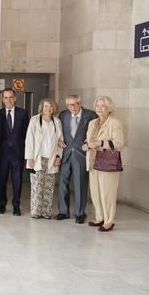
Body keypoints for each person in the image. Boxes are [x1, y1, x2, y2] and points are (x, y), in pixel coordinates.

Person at [83, 96, 124, 232]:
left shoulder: (115, 123)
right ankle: (99, 217)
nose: (99, 108)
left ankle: (109, 221)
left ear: (109, 108)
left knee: (108, 194)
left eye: (102, 106)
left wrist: (100, 143)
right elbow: (88, 138)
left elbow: (119, 143)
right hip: (93, 160)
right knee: (95, 192)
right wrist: (86, 144)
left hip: (108, 163)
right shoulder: (92, 122)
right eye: (97, 106)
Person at [56, 94, 97, 223]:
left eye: (74, 104)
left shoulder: (91, 115)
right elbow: (57, 132)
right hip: (66, 153)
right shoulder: (63, 115)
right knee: (62, 184)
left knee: (80, 184)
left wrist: (89, 142)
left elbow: (96, 131)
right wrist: (58, 141)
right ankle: (63, 212)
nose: (72, 107)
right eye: (69, 105)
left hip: (81, 155)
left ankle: (80, 213)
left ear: (80, 103)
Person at [25, 98, 64, 219]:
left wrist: (59, 156)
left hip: (51, 158)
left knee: (49, 186)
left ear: (54, 108)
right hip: (38, 158)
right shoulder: (35, 120)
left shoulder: (56, 122)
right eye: (46, 106)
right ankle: (36, 211)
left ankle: (46, 212)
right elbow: (29, 139)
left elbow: (60, 141)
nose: (48, 109)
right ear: (41, 107)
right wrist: (29, 158)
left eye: (50, 106)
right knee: (37, 185)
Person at [0, 88, 29, 216]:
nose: (8, 100)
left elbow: (27, 134)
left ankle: (16, 205)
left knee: (17, 180)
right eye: (6, 97)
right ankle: (2, 204)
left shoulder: (23, 113)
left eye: (11, 97)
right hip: (2, 153)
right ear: (2, 99)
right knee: (2, 180)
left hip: (18, 152)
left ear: (15, 98)